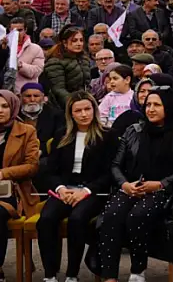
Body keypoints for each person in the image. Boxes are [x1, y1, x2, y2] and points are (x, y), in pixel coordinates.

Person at [99, 74, 173, 282]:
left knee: (137, 216)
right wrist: (125, 184)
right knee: (112, 215)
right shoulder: (133, 130)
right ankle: (109, 277)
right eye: (148, 104)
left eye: (157, 105)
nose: (150, 109)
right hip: (132, 186)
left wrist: (161, 184)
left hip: (165, 189)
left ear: (168, 107)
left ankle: (137, 270)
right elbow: (115, 164)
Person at [38, 92, 112, 282]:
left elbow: (109, 172)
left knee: (77, 219)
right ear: (71, 114)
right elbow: (49, 170)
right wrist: (61, 188)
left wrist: (85, 191)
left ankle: (72, 274)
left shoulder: (106, 135)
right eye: (78, 110)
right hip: (65, 190)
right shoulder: (62, 134)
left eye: (87, 109)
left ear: (94, 110)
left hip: (93, 191)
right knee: (46, 219)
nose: (83, 114)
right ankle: (50, 274)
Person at [0, 89, 40, 269]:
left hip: (14, 192)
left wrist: (3, 174)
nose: (0, 110)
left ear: (13, 107)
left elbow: (32, 166)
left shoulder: (26, 131)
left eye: (4, 106)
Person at [42, 26, 87, 109]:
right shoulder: (55, 62)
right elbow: (58, 89)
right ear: (65, 43)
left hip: (82, 102)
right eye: (74, 40)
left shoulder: (84, 59)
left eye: (81, 40)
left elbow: (86, 84)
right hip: (62, 106)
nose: (79, 43)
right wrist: (73, 104)